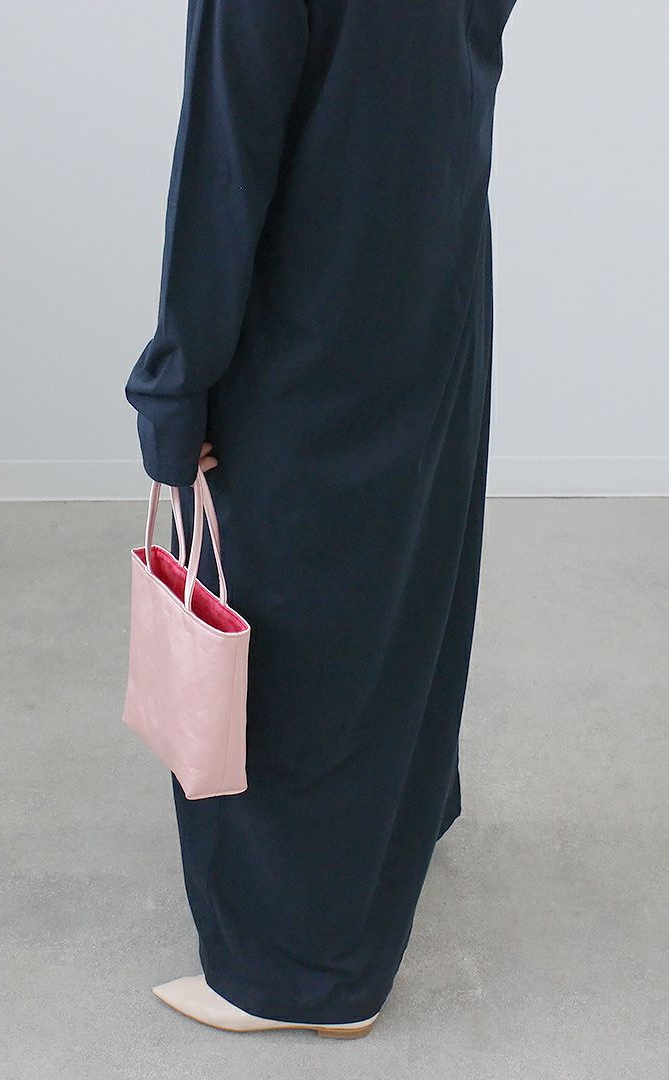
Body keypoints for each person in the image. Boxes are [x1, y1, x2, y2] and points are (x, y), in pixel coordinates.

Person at [124, 0, 518, 1038]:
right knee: (403, 573)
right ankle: (402, 819)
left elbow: (227, 157)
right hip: (433, 281)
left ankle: (302, 974)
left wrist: (178, 384)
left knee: (288, 622)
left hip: (309, 309)